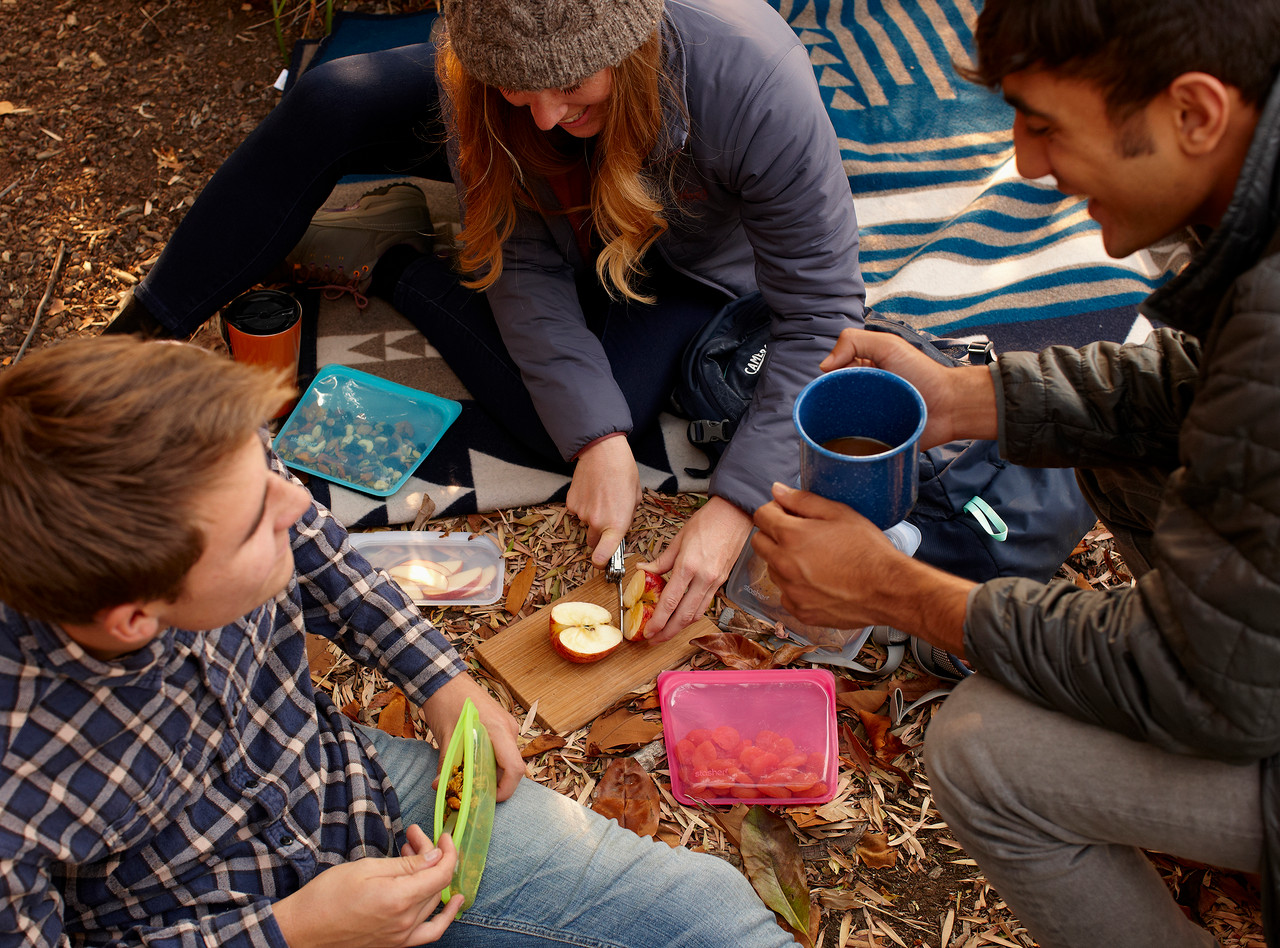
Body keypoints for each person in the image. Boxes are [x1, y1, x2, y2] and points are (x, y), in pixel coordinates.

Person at [749, 1, 1280, 946]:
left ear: (1194, 113)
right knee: (1118, 449)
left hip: (1235, 689)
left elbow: (1193, 680)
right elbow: (1202, 387)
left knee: (983, 749)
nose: (1028, 164)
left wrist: (897, 590)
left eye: (1044, 124)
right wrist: (964, 398)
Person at [0, 335, 799, 948]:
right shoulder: (16, 788)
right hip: (217, 921)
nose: (299, 504)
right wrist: (294, 933)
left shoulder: (211, 471)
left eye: (271, 468)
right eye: (257, 523)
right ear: (133, 619)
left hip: (346, 790)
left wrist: (441, 681)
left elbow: (318, 552)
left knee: (712, 917)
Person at [106, 0, 865, 643]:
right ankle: (120, 350)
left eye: (571, 85)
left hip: (682, 260)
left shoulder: (753, 77)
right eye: (514, 88)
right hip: (563, 214)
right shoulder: (489, 79)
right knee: (334, 97)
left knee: (582, 421)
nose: (542, 116)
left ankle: (395, 261)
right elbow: (525, 261)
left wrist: (735, 506)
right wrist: (598, 441)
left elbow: (822, 314)